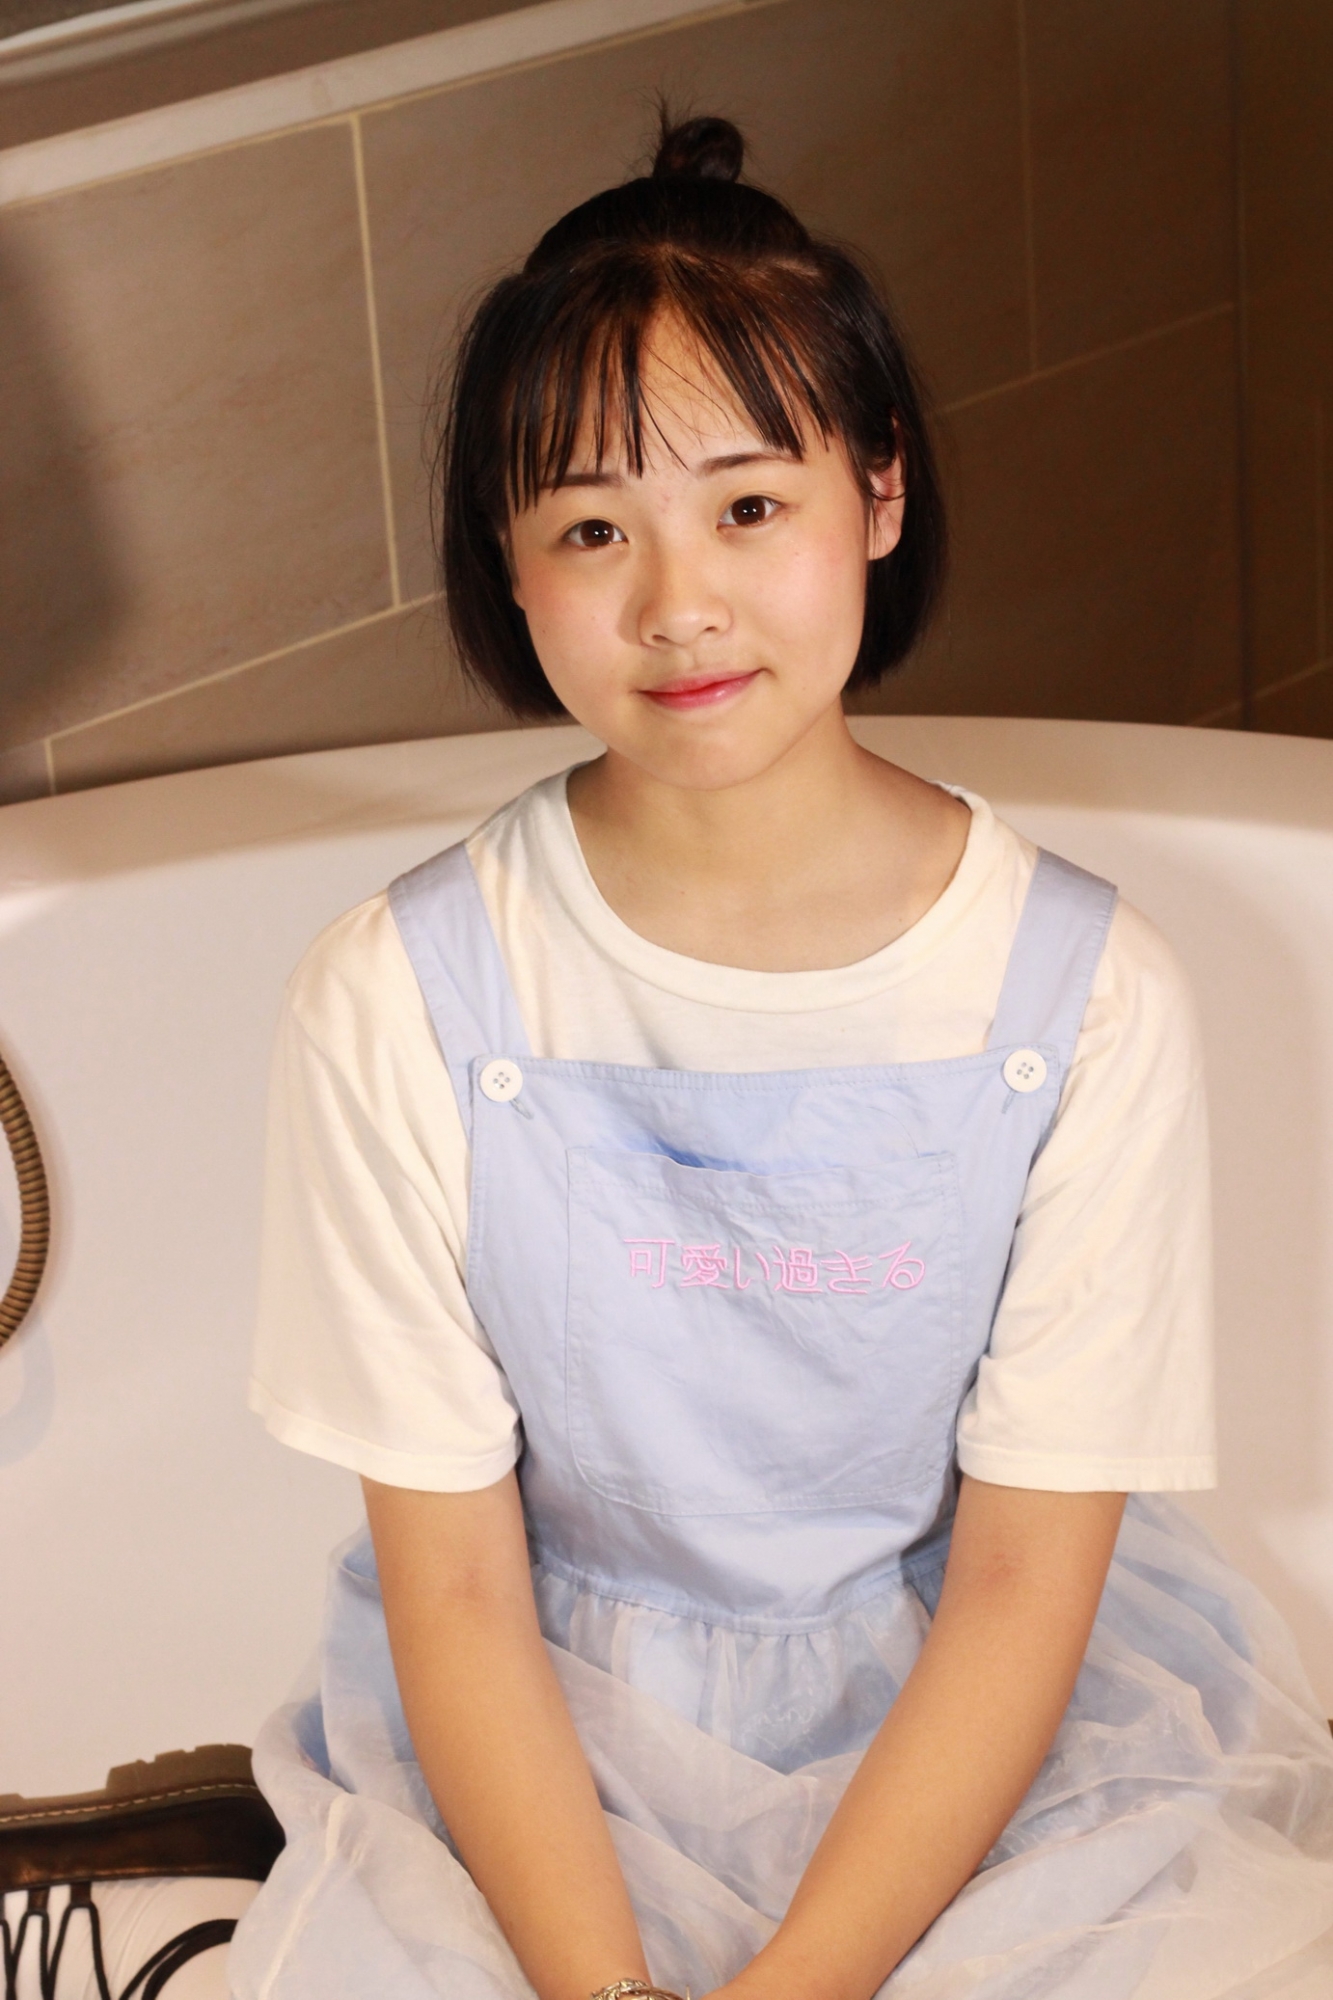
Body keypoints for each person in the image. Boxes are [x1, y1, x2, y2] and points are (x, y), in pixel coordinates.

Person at [231, 115, 1333, 1999]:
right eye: (592, 527)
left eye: (748, 506)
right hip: (534, 1750)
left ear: (877, 492)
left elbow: (1019, 1581)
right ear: (509, 563)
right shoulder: (398, 993)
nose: (678, 604)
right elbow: (457, 1586)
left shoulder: (1081, 994)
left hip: (988, 1738)